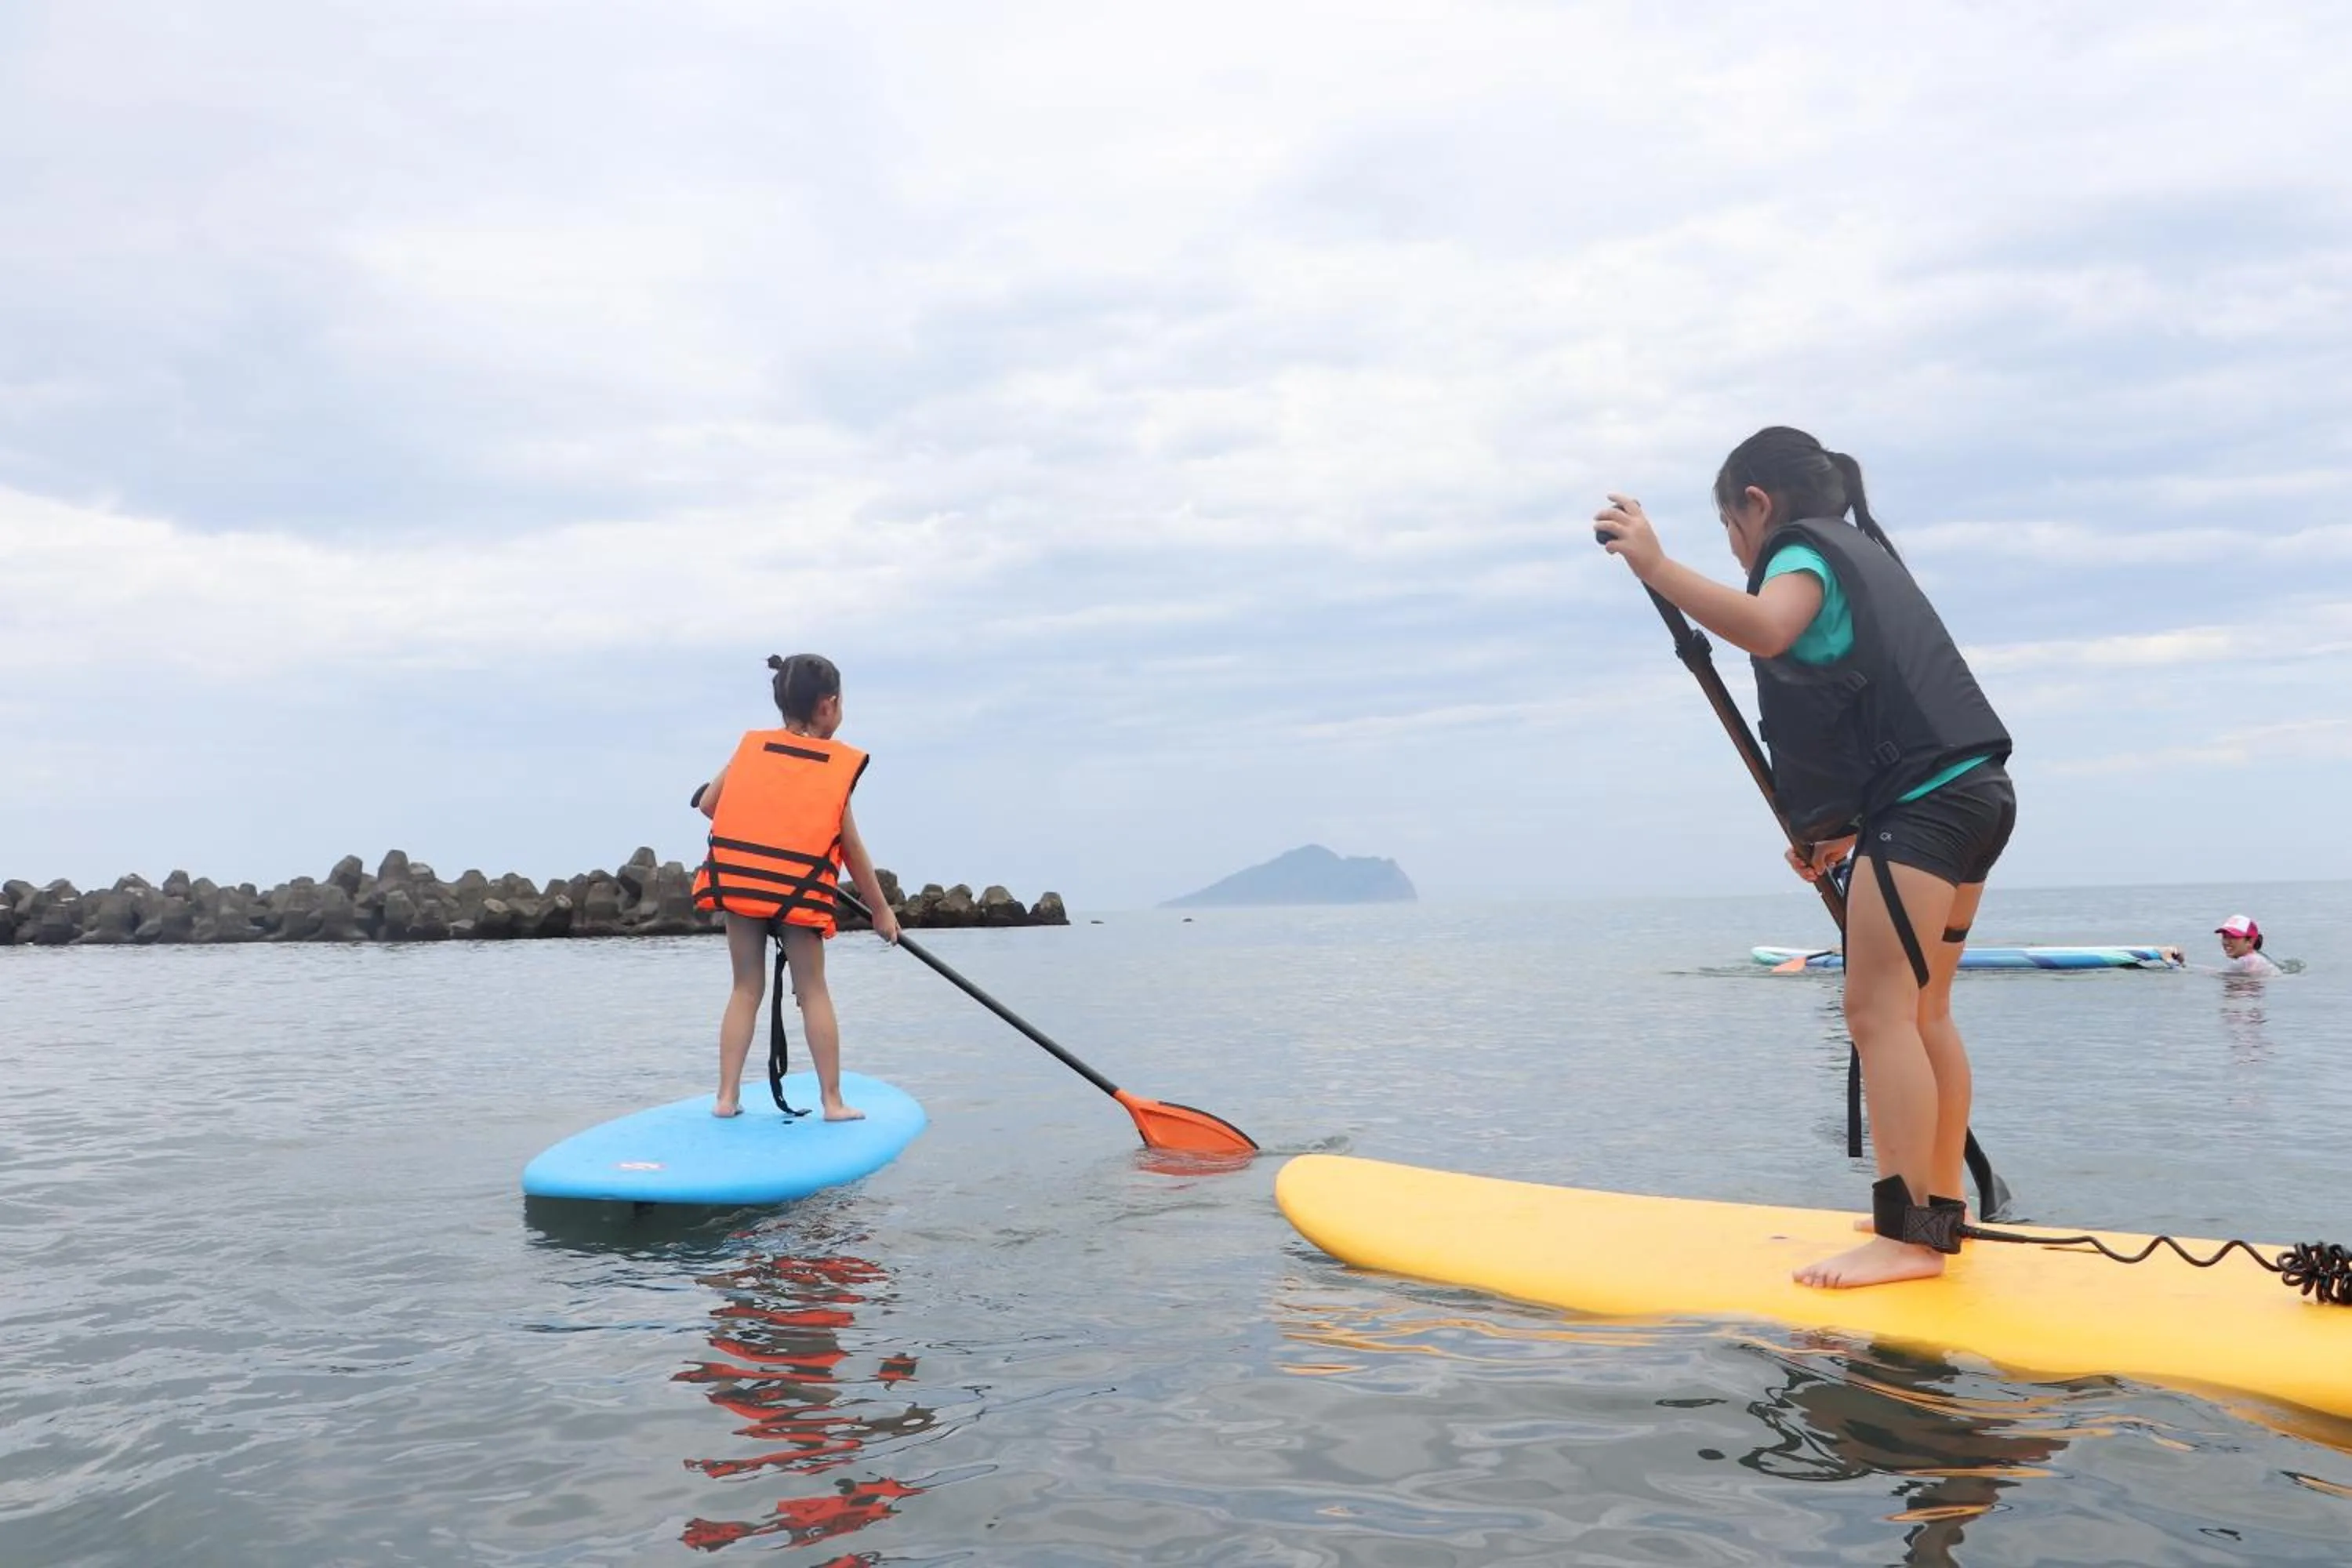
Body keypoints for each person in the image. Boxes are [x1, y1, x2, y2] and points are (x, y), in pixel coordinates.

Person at [1597, 427, 2015, 1290]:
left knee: (1877, 1012)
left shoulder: (1802, 551)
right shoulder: (1861, 553)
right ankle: (1934, 1213)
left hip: (1928, 808)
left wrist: (1656, 566)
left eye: (1729, 531)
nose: (1739, 552)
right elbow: (1869, 713)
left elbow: (1765, 628)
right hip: (1973, 794)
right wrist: (1835, 833)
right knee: (1926, 1007)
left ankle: (1908, 1238)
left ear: (1757, 503)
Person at [692, 653, 901, 1120]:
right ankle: (832, 1102)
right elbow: (851, 850)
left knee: (746, 988)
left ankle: (726, 1098)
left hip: (743, 889)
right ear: (828, 705)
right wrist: (882, 912)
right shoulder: (831, 767)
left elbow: (709, 805)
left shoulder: (751, 750)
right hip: (797, 894)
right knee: (813, 991)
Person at [2213, 913, 2281, 978]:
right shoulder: (2258, 957)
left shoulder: (2245, 962)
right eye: (2225, 937)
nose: (2226, 942)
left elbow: (2217, 975)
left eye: (2233, 937)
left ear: (2250, 941)